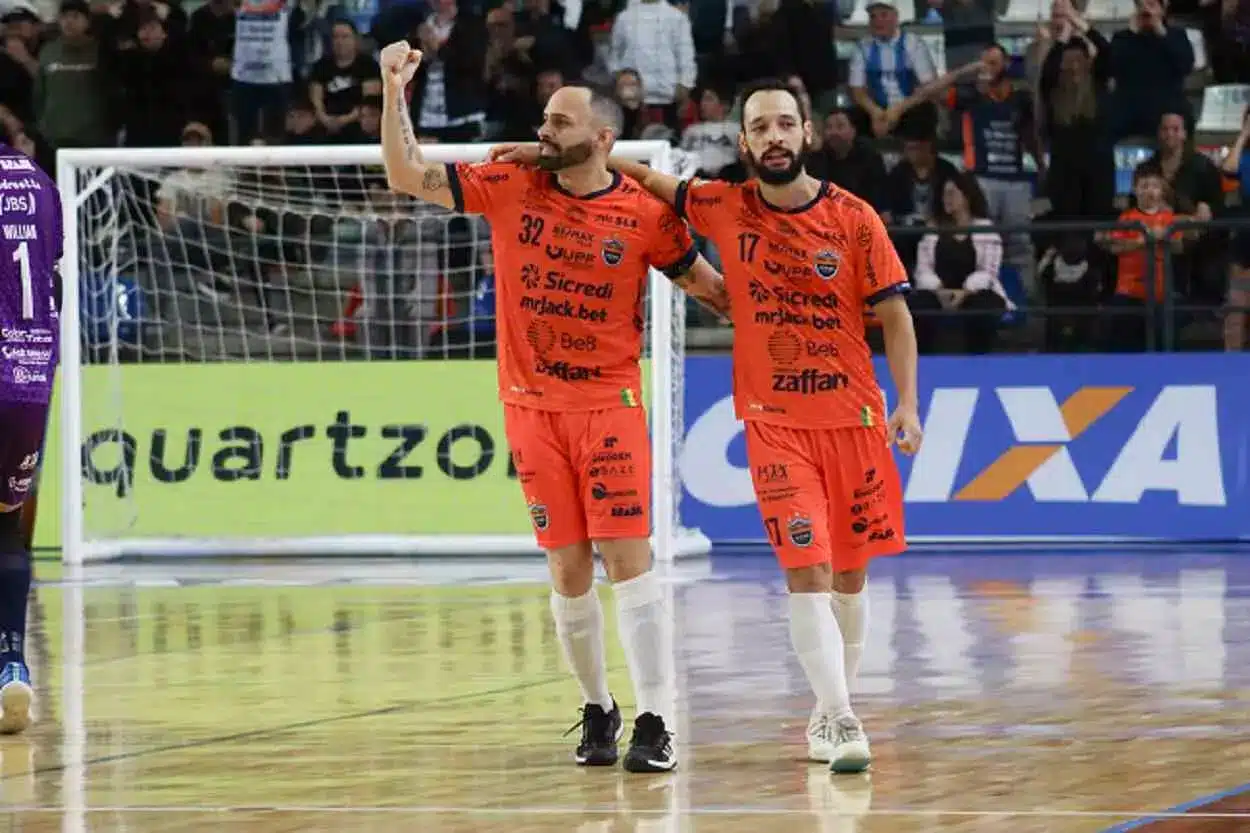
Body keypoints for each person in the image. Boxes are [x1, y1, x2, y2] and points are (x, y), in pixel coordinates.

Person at [493, 77, 923, 774]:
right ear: (745, 141)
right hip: (773, 423)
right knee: (807, 568)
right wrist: (550, 156)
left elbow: (897, 316)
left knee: (850, 575)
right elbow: (647, 181)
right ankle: (842, 718)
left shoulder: (855, 218)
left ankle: (828, 707)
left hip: (854, 416)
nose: (775, 137)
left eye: (787, 123)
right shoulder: (721, 206)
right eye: (761, 127)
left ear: (807, 134)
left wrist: (906, 403)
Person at [378, 41, 729, 774]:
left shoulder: (642, 214)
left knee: (629, 564)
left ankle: (658, 719)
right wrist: (392, 90)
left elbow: (712, 290)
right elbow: (405, 172)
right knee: (567, 572)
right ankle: (598, 708)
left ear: (601, 137)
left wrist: (780, 303)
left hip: (608, 405)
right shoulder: (510, 182)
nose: (544, 130)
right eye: (543, 118)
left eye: (560, 122)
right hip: (530, 409)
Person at [0, 140, 62, 734]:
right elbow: (52, 277)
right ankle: (11, 663)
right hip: (31, 375)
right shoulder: (39, 180)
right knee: (6, 521)